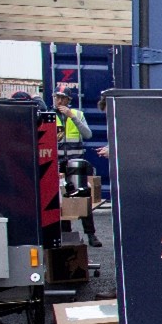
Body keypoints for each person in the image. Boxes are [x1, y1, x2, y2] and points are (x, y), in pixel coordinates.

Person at [54, 90, 101, 247]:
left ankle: (91, 234)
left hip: (76, 164)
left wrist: (72, 117)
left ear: (68, 100)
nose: (59, 101)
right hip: (58, 164)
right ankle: (67, 235)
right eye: (56, 97)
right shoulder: (49, 116)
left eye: (62, 98)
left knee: (82, 198)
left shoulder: (77, 114)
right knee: (62, 200)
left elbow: (87, 135)